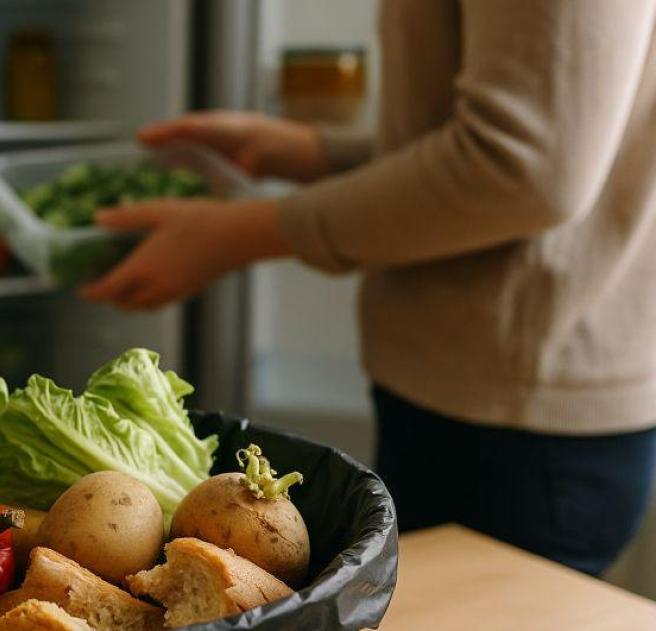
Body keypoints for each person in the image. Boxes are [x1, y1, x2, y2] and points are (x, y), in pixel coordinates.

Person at [80, 0, 656, 576]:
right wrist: (315, 153)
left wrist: (236, 234)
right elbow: (512, 135)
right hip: (486, 395)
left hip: (526, 429)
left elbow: (525, 170)